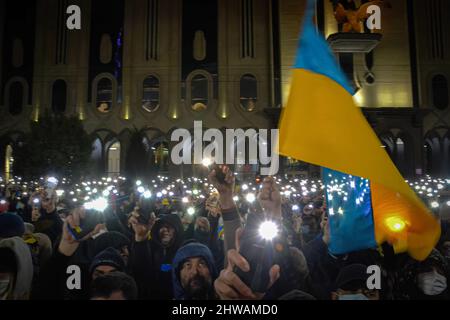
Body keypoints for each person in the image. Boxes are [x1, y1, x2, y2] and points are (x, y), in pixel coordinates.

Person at [128, 212, 184, 299]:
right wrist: (140, 239)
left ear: (177, 230)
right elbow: (140, 271)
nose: (165, 229)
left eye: (170, 226)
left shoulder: (183, 253)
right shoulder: (148, 247)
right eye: (162, 226)